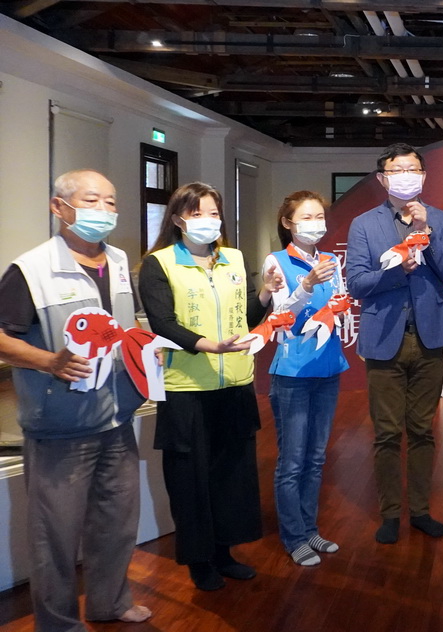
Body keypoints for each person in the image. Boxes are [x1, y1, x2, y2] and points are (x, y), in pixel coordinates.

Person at [0, 170, 152, 631]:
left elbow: (125, 326)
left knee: (117, 522)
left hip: (117, 419)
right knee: (55, 537)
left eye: (111, 201)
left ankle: (110, 603)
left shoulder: (120, 261)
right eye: (91, 201)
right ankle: (58, 624)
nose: (104, 210)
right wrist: (49, 362)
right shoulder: (31, 270)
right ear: (59, 207)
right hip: (60, 427)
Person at [139, 182, 279, 591]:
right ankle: (199, 560)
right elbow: (163, 323)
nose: (208, 220)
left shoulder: (233, 258)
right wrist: (208, 346)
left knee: (231, 475)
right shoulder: (159, 263)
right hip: (187, 387)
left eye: (214, 213)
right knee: (190, 479)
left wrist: (265, 294)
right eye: (197, 213)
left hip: (234, 381)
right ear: (178, 219)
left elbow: (244, 316)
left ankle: (224, 552)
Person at [346, 143, 443, 542]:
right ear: (382, 179)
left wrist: (427, 231)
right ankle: (391, 513)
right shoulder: (364, 224)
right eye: (397, 170)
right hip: (384, 337)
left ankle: (421, 510)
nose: (405, 176)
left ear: (424, 176)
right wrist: (398, 272)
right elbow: (356, 283)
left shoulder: (442, 219)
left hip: (429, 337)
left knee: (423, 430)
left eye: (412, 169)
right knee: (387, 432)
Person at [261, 191, 349, 566]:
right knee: (292, 461)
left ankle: (310, 528)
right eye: (306, 217)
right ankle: (293, 536)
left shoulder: (331, 260)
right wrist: (308, 285)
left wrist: (340, 306)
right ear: (288, 223)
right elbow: (281, 314)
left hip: (327, 366)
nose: (315, 224)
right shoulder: (277, 261)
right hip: (293, 371)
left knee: (315, 458)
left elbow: (338, 302)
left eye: (319, 217)